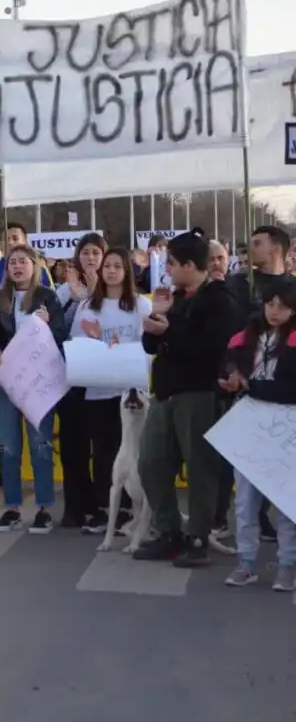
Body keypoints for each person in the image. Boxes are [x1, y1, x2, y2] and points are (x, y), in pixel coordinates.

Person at [135, 232, 240, 567]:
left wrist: (169, 331)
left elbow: (211, 350)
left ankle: (198, 536)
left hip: (198, 393)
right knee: (151, 462)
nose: (166, 270)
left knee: (200, 467)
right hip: (165, 391)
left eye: (171, 263)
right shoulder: (175, 298)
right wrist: (157, 320)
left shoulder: (219, 299)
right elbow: (153, 345)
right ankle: (168, 529)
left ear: (190, 266)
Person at [0, 244, 68, 534]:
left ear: (35, 265)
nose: (17, 267)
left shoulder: (47, 297)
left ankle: (44, 508)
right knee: (8, 446)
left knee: (40, 444)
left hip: (38, 383)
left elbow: (60, 337)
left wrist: (45, 324)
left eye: (22, 262)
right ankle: (12, 507)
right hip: (7, 382)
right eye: (12, 262)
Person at [219, 279, 296, 590]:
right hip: (248, 424)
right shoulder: (244, 337)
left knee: (287, 499)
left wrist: (251, 385)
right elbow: (226, 373)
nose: (275, 311)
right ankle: (246, 561)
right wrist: (229, 381)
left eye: (283, 305)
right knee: (245, 499)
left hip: (287, 425)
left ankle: (287, 565)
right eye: (271, 304)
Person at [69, 247, 151, 535]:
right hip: (99, 392)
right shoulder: (88, 306)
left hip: (132, 393)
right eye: (108, 266)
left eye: (118, 266)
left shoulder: (141, 305)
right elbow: (76, 345)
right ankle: (105, 510)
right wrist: (96, 339)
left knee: (132, 449)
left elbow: (150, 345)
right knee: (103, 451)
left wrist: (121, 347)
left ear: (127, 271)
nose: (112, 270)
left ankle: (132, 511)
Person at [53, 232, 108, 527]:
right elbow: (53, 325)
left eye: (96, 253)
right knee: (73, 446)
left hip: (101, 379)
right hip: (70, 376)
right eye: (85, 252)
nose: (90, 258)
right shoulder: (65, 290)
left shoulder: (112, 290)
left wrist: (94, 288)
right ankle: (75, 505)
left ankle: (101, 506)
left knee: (100, 446)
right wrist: (73, 295)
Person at [0, 222, 52, 295]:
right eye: (6, 239)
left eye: (15, 238)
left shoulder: (40, 270)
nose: (10, 242)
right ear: (1, 244)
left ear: (25, 241)